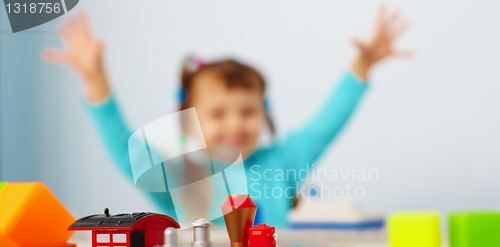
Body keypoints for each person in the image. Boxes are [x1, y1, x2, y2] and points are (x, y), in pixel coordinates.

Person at [42, 7, 410, 228]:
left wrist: (361, 65)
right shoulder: (185, 176)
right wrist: (95, 80)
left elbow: (325, 124)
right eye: (218, 113)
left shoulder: (282, 162)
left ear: (263, 115)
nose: (235, 123)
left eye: (248, 111)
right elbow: (126, 154)